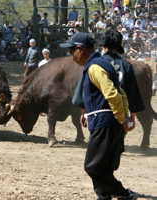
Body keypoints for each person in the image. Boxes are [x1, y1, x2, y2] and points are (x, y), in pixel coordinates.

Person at [60, 32, 140, 200]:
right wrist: (124, 117)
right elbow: (122, 93)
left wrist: (122, 118)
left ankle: (123, 193)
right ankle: (105, 197)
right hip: (111, 122)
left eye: (71, 51)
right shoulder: (103, 64)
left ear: (80, 49)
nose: (71, 56)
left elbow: (113, 94)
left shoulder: (95, 67)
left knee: (92, 166)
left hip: (105, 122)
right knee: (102, 165)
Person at [101, 30, 145, 129]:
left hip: (99, 114)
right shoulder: (127, 65)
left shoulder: (95, 64)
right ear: (120, 44)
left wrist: (83, 112)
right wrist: (132, 117)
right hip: (122, 117)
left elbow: (86, 90)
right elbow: (133, 93)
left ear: (104, 46)